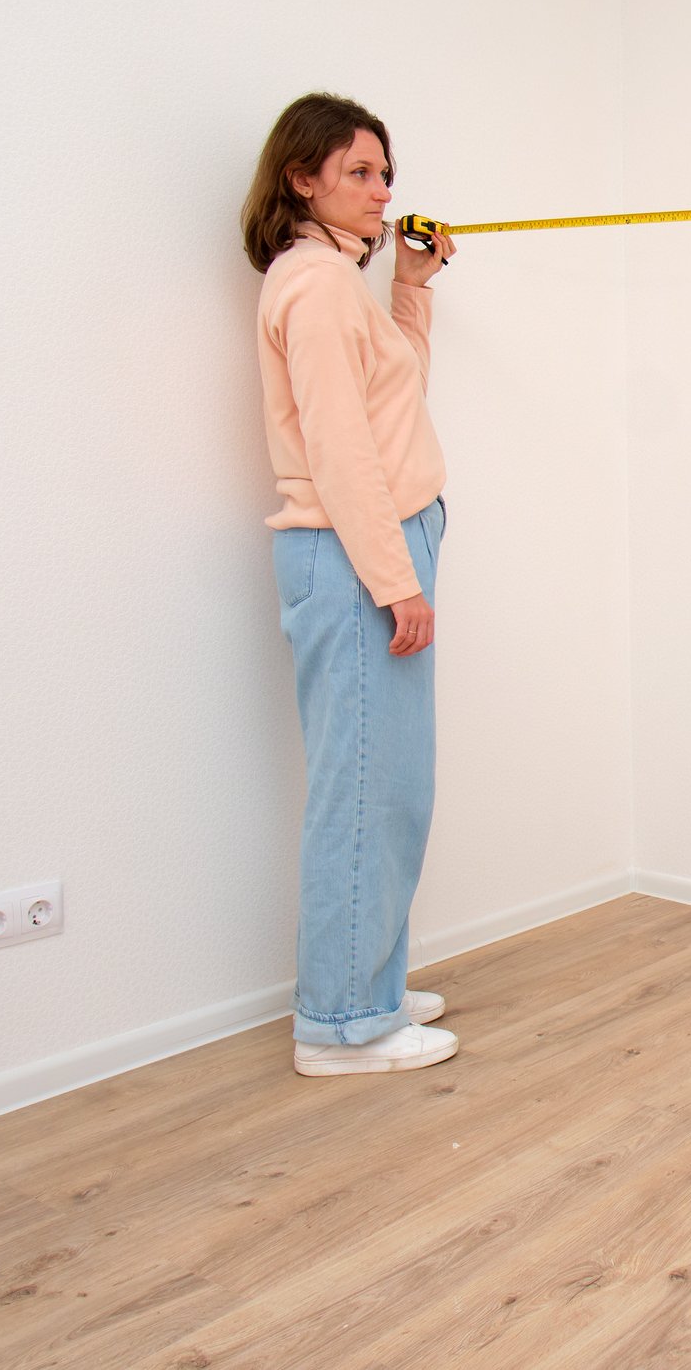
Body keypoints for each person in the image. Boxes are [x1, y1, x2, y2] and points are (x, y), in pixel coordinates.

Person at [243, 92, 462, 1076]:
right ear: (304, 178)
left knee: (389, 788)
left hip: (365, 549)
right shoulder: (319, 286)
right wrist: (396, 580)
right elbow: (339, 452)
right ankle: (341, 1024)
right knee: (367, 789)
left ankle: (364, 985)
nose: (383, 191)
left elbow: (393, 390)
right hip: (354, 554)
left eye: (387, 174)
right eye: (361, 173)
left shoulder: (337, 283)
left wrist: (411, 284)